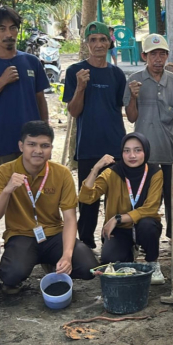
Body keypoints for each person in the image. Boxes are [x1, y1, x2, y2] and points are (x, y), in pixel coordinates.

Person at [0, 121, 98, 293]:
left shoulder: (61, 173)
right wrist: (7, 191)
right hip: (21, 234)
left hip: (54, 235)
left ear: (51, 148)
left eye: (44, 146)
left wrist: (67, 255)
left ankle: (55, 262)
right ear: (21, 146)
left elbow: (69, 217)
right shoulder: (2, 173)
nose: (38, 151)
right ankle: (31, 264)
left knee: (88, 268)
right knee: (11, 275)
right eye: (32, 144)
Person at [64, 21, 127, 249]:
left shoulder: (117, 74)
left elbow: (120, 108)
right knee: (88, 200)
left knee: (116, 199)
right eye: (93, 40)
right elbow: (73, 111)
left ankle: (113, 243)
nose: (98, 44)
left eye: (102, 39)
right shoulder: (75, 72)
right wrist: (80, 87)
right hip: (88, 146)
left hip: (115, 145)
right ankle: (86, 245)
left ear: (110, 42)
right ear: (87, 44)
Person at [79, 133, 165, 284]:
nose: (132, 155)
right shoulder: (112, 172)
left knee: (148, 225)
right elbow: (86, 198)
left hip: (142, 226)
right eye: (127, 151)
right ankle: (129, 254)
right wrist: (96, 167)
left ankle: (152, 263)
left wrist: (118, 218)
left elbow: (151, 208)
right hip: (119, 230)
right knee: (109, 260)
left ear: (146, 151)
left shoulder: (155, 172)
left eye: (138, 150)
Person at [0, 6, 50, 166]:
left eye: (13, 28)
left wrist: (45, 136)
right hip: (5, 145)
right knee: (10, 189)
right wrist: (1, 81)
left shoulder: (32, 61)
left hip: (35, 145)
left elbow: (40, 100)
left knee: (40, 189)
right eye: (2, 29)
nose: (9, 34)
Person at [124, 34, 173, 239]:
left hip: (169, 150)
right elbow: (132, 117)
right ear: (144, 56)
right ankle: (144, 239)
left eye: (162, 54)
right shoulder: (134, 80)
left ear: (167, 56)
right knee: (144, 198)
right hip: (143, 154)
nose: (158, 59)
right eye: (153, 54)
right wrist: (133, 96)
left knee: (172, 198)